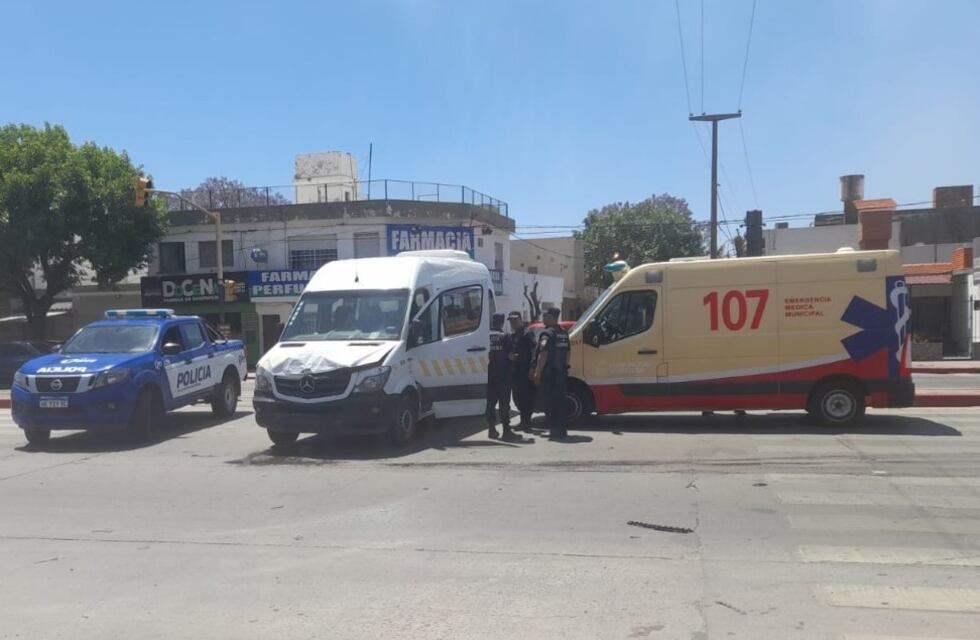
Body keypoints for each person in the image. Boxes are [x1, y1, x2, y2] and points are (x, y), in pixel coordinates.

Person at [531, 307, 570, 440]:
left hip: (550, 374)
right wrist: (565, 367)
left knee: (550, 403)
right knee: (561, 402)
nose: (543, 318)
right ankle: (562, 430)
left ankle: (554, 431)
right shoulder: (564, 334)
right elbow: (568, 353)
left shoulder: (547, 334)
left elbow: (543, 353)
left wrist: (537, 372)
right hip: (561, 373)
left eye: (545, 316)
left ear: (552, 318)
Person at [487, 313, 519, 441]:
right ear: (502, 322)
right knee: (504, 403)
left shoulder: (486, 336)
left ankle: (491, 429)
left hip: (490, 373)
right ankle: (506, 431)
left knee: (490, 402)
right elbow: (511, 355)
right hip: (503, 374)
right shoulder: (505, 336)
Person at [506, 311, 536, 432]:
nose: (513, 323)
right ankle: (523, 422)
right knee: (518, 398)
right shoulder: (515, 334)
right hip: (516, 370)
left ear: (520, 320)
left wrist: (532, 367)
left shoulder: (527, 333)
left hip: (525, 370)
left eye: (515, 320)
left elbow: (534, 350)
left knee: (525, 398)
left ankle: (526, 424)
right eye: (511, 321)